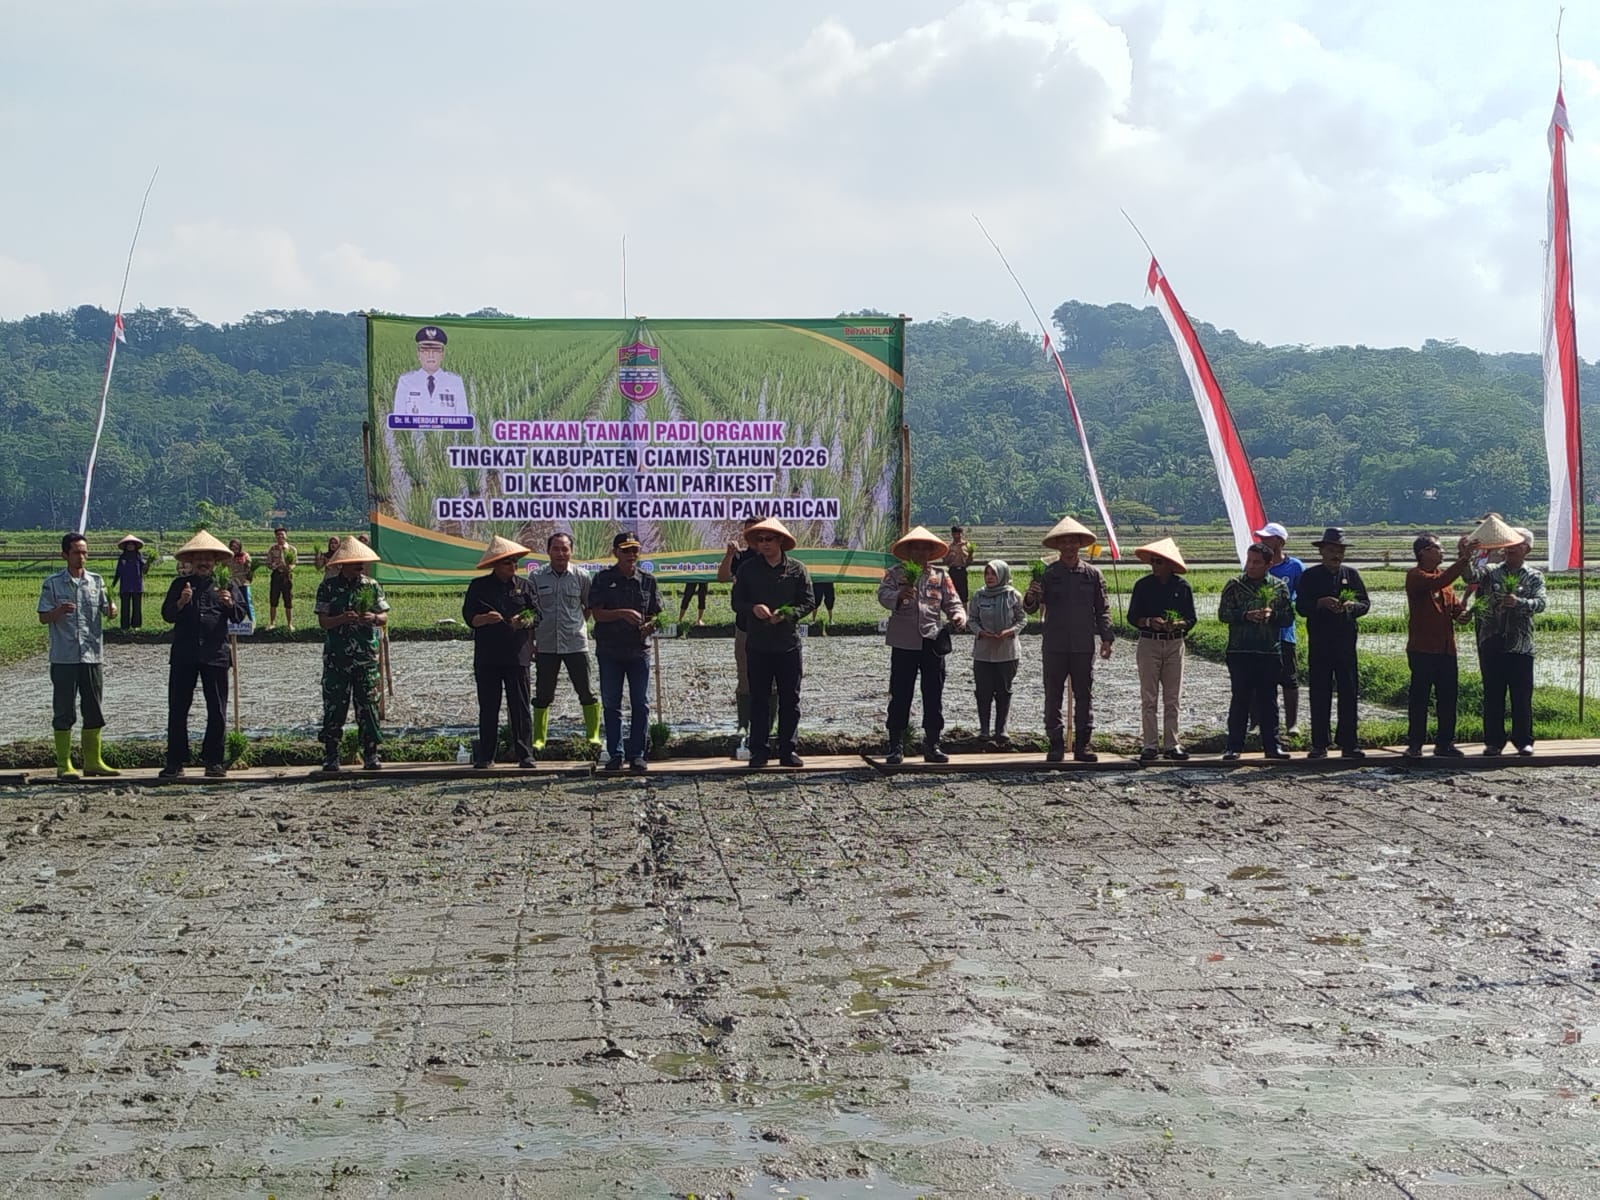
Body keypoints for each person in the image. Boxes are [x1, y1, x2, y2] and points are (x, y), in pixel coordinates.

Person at [1023, 516, 1113, 763]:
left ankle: (1083, 745)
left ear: (1080, 545)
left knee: (1085, 695)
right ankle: (1055, 745)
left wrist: (1106, 638)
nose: (1069, 546)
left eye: (1073, 542)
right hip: (1055, 644)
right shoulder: (1047, 574)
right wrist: (1030, 596)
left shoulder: (1092, 575)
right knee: (1053, 695)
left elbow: (1102, 609)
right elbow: (1030, 608)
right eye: (1064, 542)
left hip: (1083, 645)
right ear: (1058, 546)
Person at [877, 525, 967, 764]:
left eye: (925, 549)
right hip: (903, 643)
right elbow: (882, 595)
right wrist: (898, 595)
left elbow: (953, 602)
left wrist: (958, 616)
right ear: (908, 551)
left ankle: (932, 744)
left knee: (933, 693)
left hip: (932, 641)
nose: (920, 552)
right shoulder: (895, 574)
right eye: (915, 548)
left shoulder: (940, 576)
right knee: (900, 694)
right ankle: (896, 745)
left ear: (930, 552)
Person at [731, 518, 814, 768]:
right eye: (760, 540)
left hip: (787, 644)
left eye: (769, 539)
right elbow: (736, 602)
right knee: (759, 699)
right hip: (758, 644)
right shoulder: (747, 569)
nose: (764, 544)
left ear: (780, 541)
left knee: (790, 699)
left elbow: (808, 601)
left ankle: (788, 749)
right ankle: (759, 751)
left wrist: (787, 613)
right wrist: (753, 608)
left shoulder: (797, 569)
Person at [159, 531, 242, 779]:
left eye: (208, 558)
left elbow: (240, 616)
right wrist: (181, 603)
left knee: (217, 709)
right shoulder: (180, 585)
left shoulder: (226, 585)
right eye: (199, 558)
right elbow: (167, 615)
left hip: (215, 654)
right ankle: (175, 762)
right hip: (184, 654)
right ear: (192, 561)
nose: (203, 562)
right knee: (177, 708)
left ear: (215, 561)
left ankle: (214, 761)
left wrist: (229, 603)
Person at [36, 532, 119, 779]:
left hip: (92, 656)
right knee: (64, 710)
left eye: (84, 552)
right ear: (65, 555)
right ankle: (64, 764)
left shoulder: (96, 581)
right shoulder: (52, 583)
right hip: (64, 657)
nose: (81, 557)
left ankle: (93, 762)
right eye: (76, 552)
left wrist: (111, 610)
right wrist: (59, 611)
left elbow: (106, 609)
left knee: (93, 708)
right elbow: (43, 617)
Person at [1468, 524, 1546, 756]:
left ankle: (1523, 741)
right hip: (1492, 642)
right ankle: (1493, 742)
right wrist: (1466, 556)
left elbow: (1541, 603)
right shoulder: (1491, 571)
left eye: (1516, 544)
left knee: (1521, 696)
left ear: (1526, 548)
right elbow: (1470, 576)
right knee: (1493, 694)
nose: (1510, 548)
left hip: (1520, 645)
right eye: (1508, 544)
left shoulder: (1534, 576)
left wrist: (1519, 602)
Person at [463, 536, 540, 769]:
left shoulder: (525, 586)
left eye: (515, 562)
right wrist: (484, 619)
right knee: (489, 707)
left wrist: (524, 620)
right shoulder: (479, 587)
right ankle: (486, 756)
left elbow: (538, 614)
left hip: (517, 655)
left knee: (520, 707)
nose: (512, 566)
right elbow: (469, 617)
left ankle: (525, 755)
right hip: (488, 656)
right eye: (507, 562)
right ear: (495, 564)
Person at [1295, 527, 1371, 759]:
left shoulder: (1351, 575)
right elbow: (1301, 607)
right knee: (1320, 692)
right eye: (1331, 550)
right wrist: (1320, 603)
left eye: (1340, 551)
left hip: (1345, 643)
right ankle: (1319, 744)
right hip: (1320, 643)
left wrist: (1350, 607)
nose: (1336, 555)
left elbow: (1365, 604)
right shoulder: (1310, 576)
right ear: (1322, 551)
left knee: (1349, 691)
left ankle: (1349, 743)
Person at [314, 537, 389, 771]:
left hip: (365, 657)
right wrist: (341, 619)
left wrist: (373, 618)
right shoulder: (328, 587)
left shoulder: (371, 585)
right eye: (355, 562)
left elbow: (384, 616)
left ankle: (371, 754)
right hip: (337, 658)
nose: (360, 566)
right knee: (334, 706)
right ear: (344, 564)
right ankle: (331, 754)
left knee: (368, 706)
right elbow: (323, 622)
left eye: (361, 562)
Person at [590, 531, 662, 771]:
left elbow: (657, 614)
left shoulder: (648, 580)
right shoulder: (603, 579)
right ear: (615, 553)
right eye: (626, 550)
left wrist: (651, 625)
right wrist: (621, 613)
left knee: (641, 703)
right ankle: (615, 754)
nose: (631, 554)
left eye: (635, 550)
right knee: (612, 703)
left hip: (638, 651)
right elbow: (597, 614)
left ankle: (638, 754)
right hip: (610, 650)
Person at [1219, 544, 1294, 761]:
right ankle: (1234, 746)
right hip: (1240, 651)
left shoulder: (1278, 587)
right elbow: (1223, 614)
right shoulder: (1234, 585)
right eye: (1249, 560)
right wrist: (1245, 615)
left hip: (1268, 652)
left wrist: (1272, 615)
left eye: (1256, 562)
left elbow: (1288, 618)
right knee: (1240, 698)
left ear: (1268, 564)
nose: (1250, 566)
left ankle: (1273, 746)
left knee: (1268, 699)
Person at [1126, 537, 1197, 761]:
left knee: (1172, 697)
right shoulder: (1143, 585)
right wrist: (1149, 621)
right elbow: (1132, 617)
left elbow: (1191, 619)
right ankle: (1149, 744)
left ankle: (1171, 744)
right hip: (1150, 642)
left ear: (1169, 563)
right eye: (1153, 561)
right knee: (1149, 696)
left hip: (1175, 643)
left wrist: (1178, 624)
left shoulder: (1182, 587)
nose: (1154, 566)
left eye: (1158, 562)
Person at [530, 531, 600, 753]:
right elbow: (530, 611)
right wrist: (531, 642)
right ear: (548, 551)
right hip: (546, 644)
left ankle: (593, 735)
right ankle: (539, 739)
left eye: (565, 549)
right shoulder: (536, 577)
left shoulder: (581, 576)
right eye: (556, 549)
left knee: (586, 690)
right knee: (543, 693)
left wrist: (577, 624)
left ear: (571, 551)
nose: (560, 553)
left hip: (575, 643)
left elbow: (588, 607)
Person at [1404, 533, 1473, 759]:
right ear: (1424, 552)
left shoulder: (1444, 581)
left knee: (1448, 698)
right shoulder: (1416, 576)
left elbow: (1455, 610)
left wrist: (1462, 615)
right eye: (1438, 548)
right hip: (1422, 649)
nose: (1442, 552)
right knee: (1420, 698)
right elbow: (1438, 582)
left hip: (1446, 649)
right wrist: (1464, 559)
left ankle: (1445, 743)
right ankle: (1415, 744)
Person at [717, 515, 767, 749]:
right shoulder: (740, 558)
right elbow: (722, 578)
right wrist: (729, 555)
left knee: (772, 681)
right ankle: (744, 725)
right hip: (745, 627)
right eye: (748, 532)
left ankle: (769, 726)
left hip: (772, 629)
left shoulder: (775, 557)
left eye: (756, 531)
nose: (753, 537)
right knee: (745, 677)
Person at [968, 559, 1026, 748]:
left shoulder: (1013, 595)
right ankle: (984, 729)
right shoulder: (979, 596)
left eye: (993, 573)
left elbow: (1022, 620)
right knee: (983, 691)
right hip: (983, 651)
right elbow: (972, 620)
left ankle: (1001, 729)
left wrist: (1010, 632)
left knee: (1003, 690)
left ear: (1002, 575)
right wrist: (981, 632)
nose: (990, 577)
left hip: (1007, 651)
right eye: (987, 573)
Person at [1253, 522, 1304, 735]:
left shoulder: (1295, 567)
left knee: (1289, 679)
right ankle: (1257, 723)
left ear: (1279, 542)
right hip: (1260, 633)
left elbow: (1302, 597)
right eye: (1261, 538)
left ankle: (1292, 724)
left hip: (1284, 632)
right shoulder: (1257, 564)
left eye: (1267, 538)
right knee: (1259, 680)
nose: (1263, 541)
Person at [392, 326, 469, 418]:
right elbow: (398, 418)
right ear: (418, 354)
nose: (431, 355)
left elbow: (463, 419)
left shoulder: (455, 382)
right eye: (425, 351)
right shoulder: (406, 381)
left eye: (436, 351)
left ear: (442, 354)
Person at [264, 527, 297, 632]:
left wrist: (289, 567)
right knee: (273, 599)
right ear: (275, 536)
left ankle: (289, 624)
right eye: (278, 535)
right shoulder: (272, 549)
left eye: (282, 534)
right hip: (276, 575)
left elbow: (294, 563)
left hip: (286, 576)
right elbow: (268, 563)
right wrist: (273, 565)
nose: (280, 536)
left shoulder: (291, 549)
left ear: (286, 535)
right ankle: (272, 622)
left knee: (288, 599)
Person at [112, 535, 146, 631]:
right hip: (125, 586)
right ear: (126, 546)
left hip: (137, 585)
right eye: (128, 545)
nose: (130, 546)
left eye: (132, 545)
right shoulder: (122, 557)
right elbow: (118, 571)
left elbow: (144, 570)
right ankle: (124, 626)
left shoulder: (138, 556)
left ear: (135, 546)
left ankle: (136, 625)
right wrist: (113, 584)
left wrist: (148, 564)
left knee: (137, 607)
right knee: (125, 607)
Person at [944, 525, 976, 605]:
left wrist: (970, 555)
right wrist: (950, 557)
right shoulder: (949, 547)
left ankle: (964, 611)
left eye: (958, 534)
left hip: (962, 571)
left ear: (961, 534)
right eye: (955, 534)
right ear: (952, 534)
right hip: (952, 571)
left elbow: (970, 561)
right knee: (951, 594)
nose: (957, 536)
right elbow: (945, 562)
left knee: (964, 596)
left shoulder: (967, 545)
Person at [227, 538, 255, 624]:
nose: (234, 549)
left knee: (247, 603)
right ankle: (233, 622)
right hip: (232, 583)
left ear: (240, 547)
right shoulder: (227, 556)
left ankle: (252, 622)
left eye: (236, 547)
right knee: (233, 602)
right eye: (232, 547)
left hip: (243, 582)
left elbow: (250, 567)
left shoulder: (244, 555)